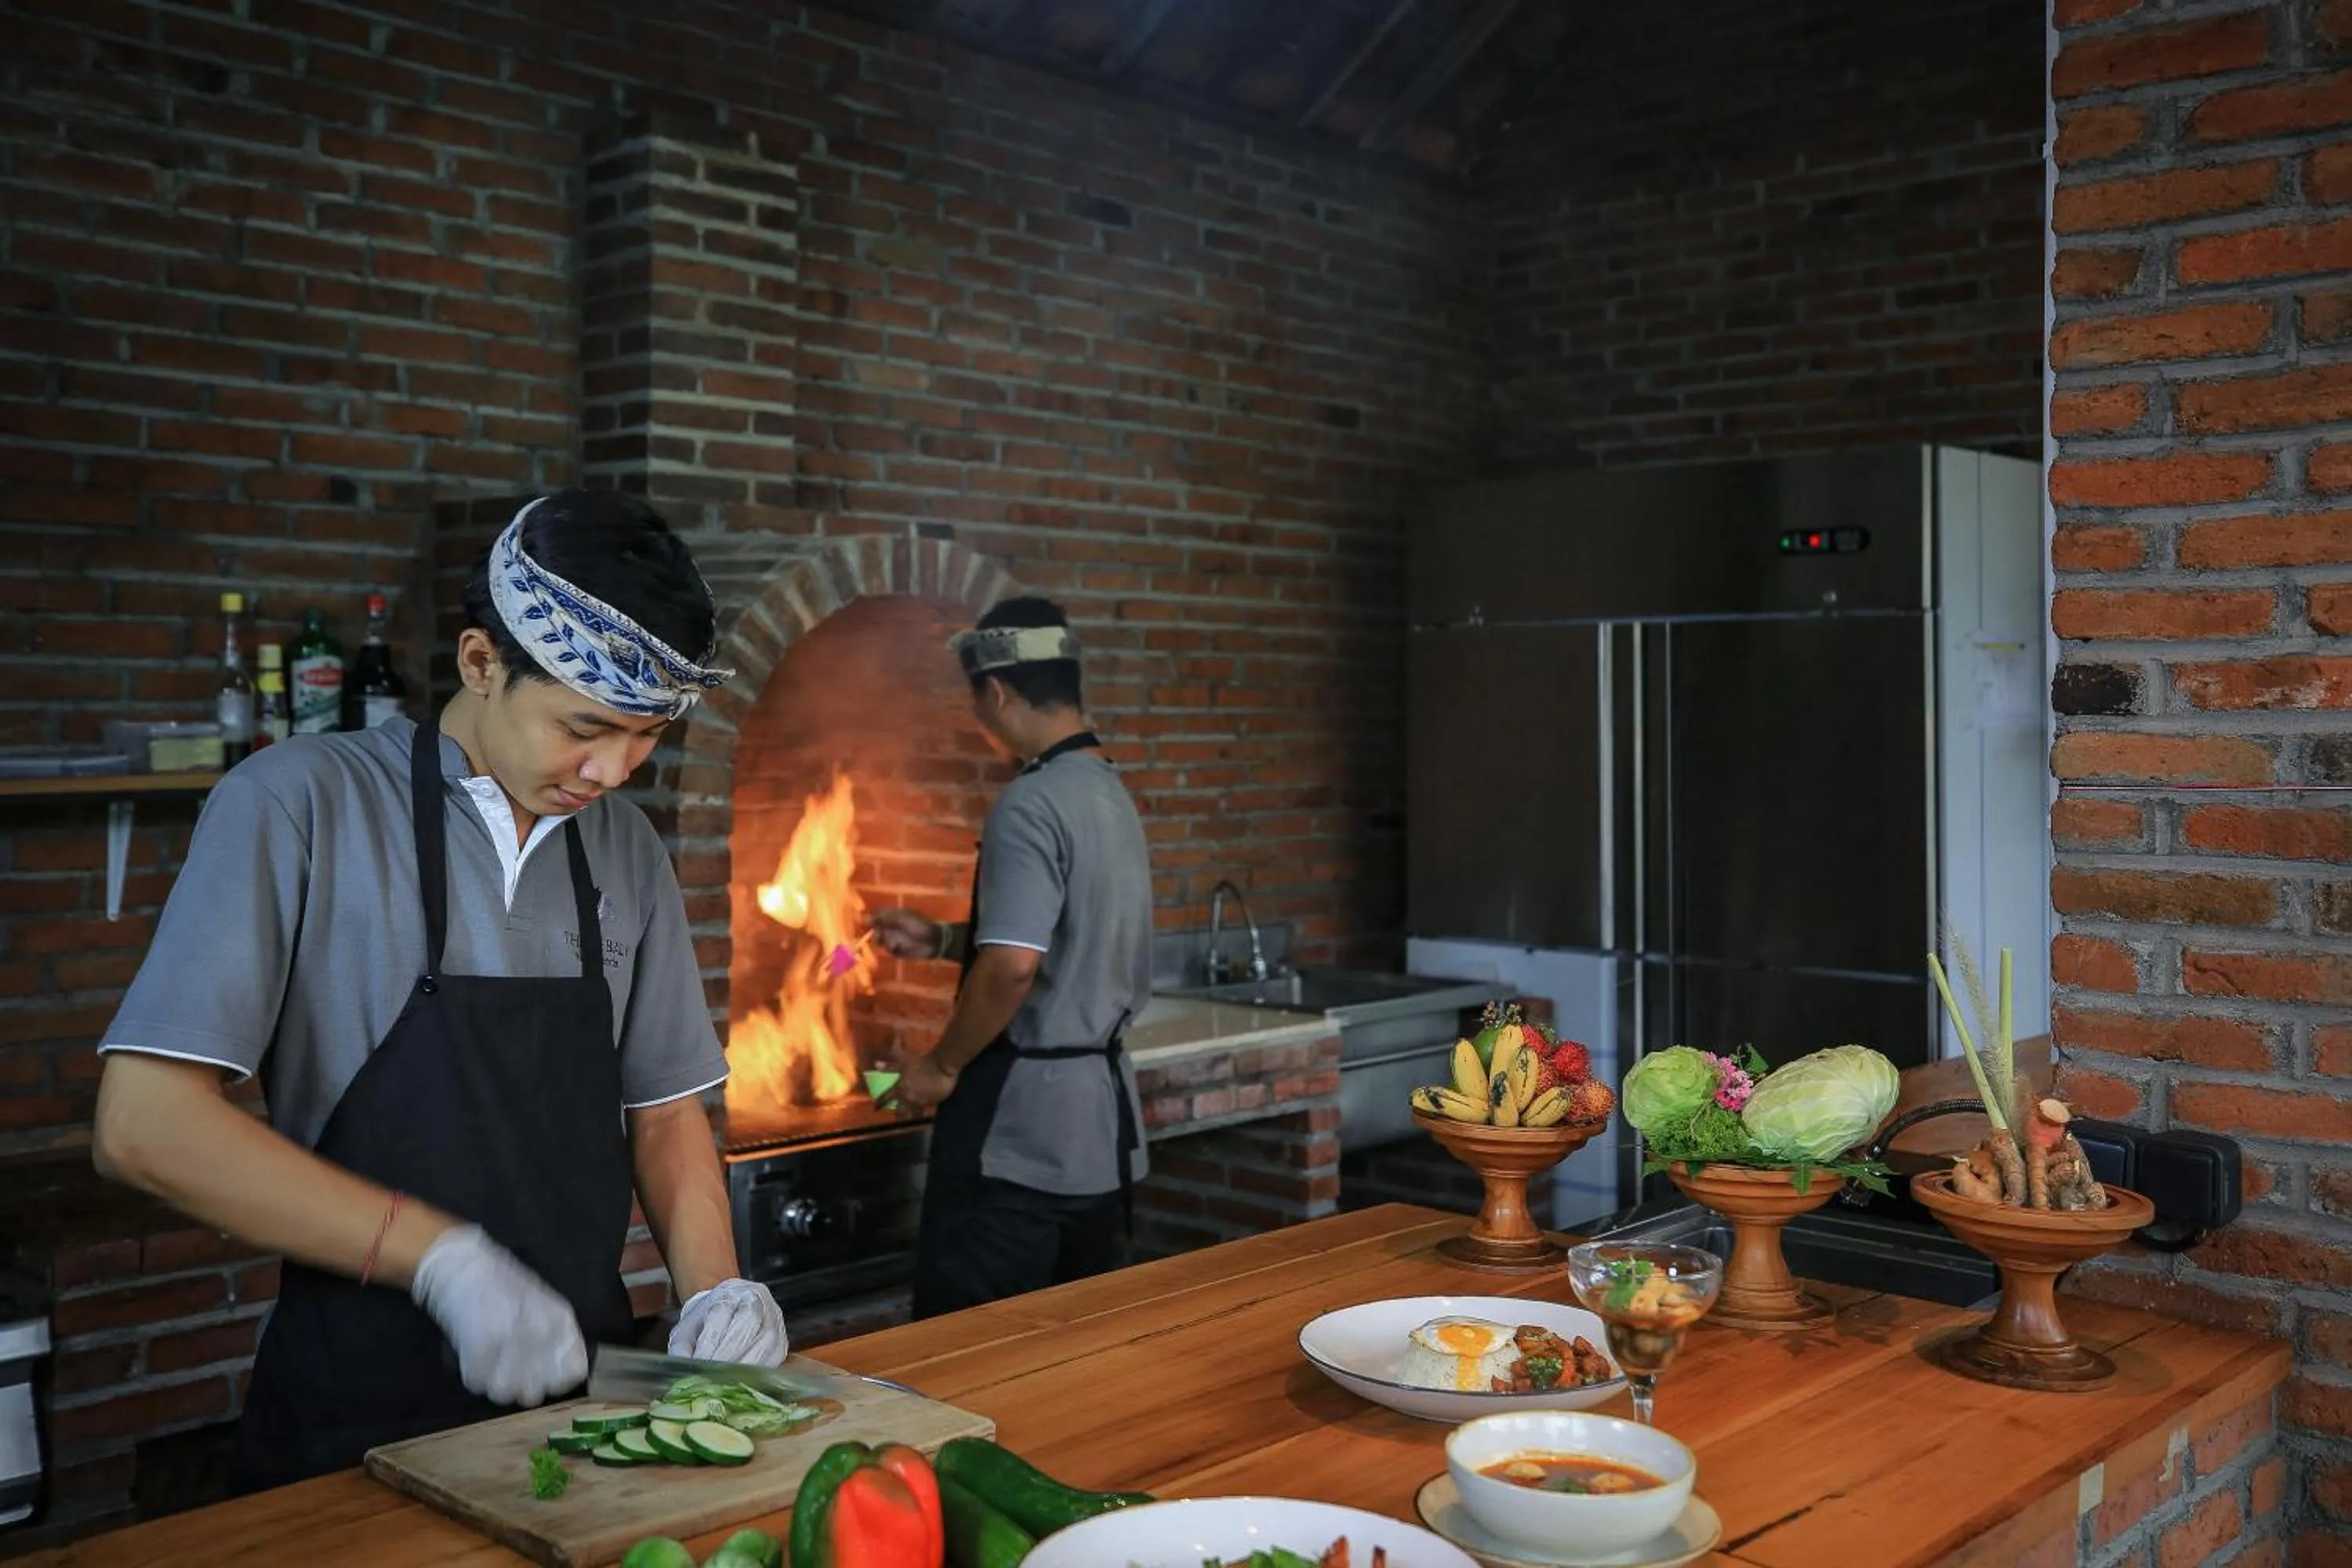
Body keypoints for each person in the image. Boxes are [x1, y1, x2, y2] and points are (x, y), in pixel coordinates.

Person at [90, 491, 788, 1491]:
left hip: (590, 1417)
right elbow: (141, 1122)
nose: (613, 770)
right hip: (353, 1427)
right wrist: (440, 1258)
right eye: (584, 727)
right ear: (479, 662)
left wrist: (715, 1288)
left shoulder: (625, 848)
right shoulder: (298, 802)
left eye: (644, 738)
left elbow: (665, 1111)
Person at [871, 597, 1154, 1319]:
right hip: (1104, 1133)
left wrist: (939, 1066)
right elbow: (1064, 937)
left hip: (1020, 1139)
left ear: (995, 691)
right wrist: (938, 939)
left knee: (970, 1347)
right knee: (1072, 1347)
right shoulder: (1110, 793)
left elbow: (1015, 968)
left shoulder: (1030, 804)